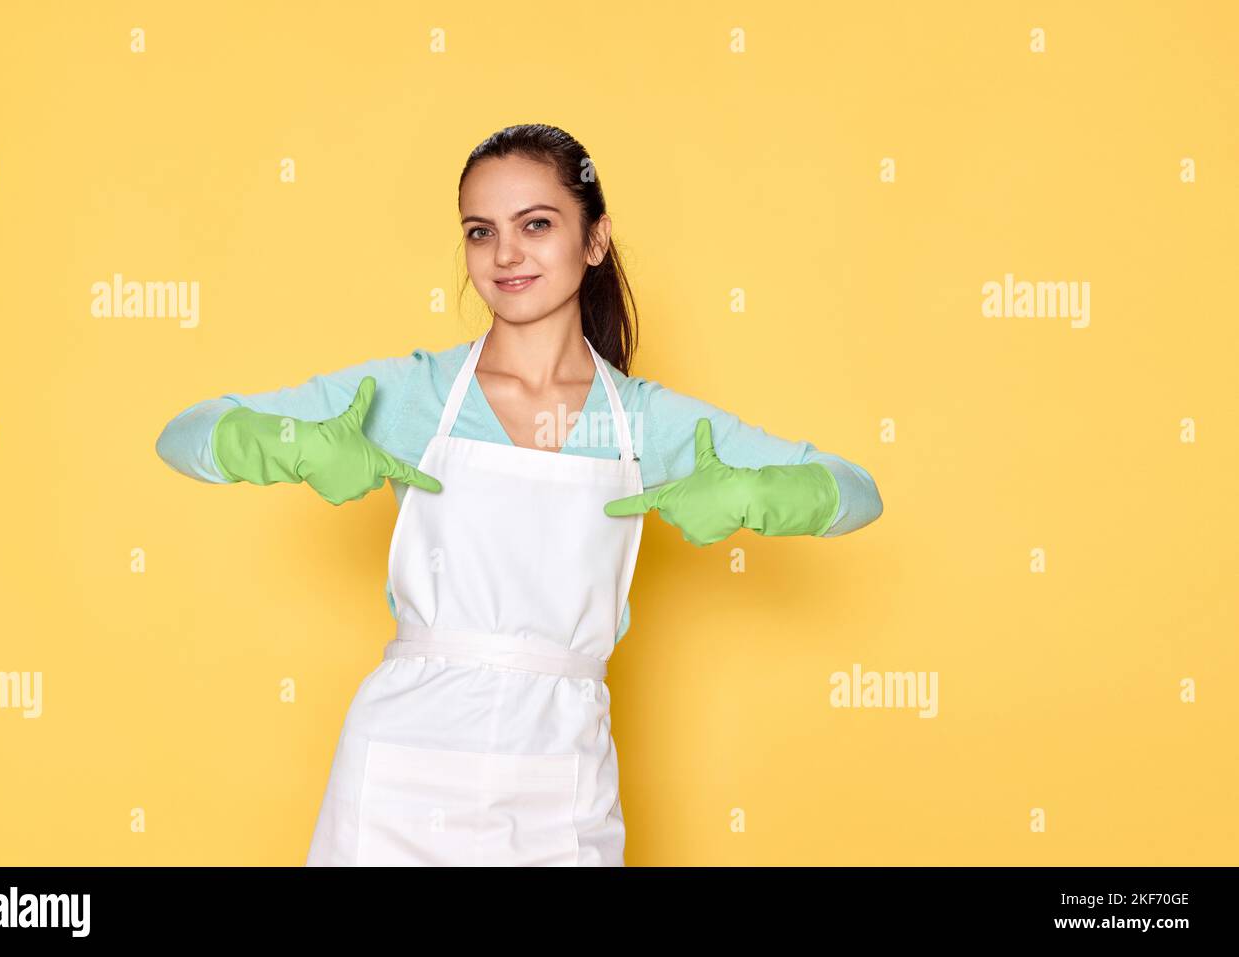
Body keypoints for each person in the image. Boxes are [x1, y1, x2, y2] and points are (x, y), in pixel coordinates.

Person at [155, 124, 883, 866]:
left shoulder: (645, 423)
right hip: (403, 763)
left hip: (559, 774)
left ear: (595, 239)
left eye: (536, 224)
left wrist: (757, 495)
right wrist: (289, 444)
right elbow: (184, 434)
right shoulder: (412, 396)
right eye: (481, 231)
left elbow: (859, 493)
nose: (505, 255)